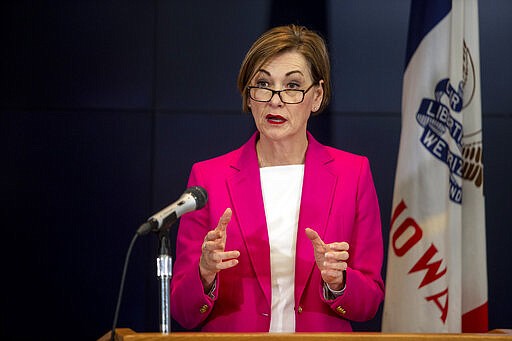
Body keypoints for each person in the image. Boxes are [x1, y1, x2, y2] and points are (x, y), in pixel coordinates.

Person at [170, 24, 384, 332]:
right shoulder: (209, 178)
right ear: (249, 96)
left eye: (293, 86)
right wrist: (204, 272)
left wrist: (339, 281)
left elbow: (370, 302)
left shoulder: (353, 174)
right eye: (263, 84)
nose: (275, 99)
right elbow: (182, 310)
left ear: (317, 96)